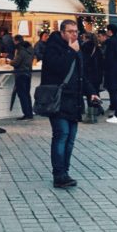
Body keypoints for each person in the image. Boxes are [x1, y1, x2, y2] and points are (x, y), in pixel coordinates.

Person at [40, 19, 99, 188]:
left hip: (74, 100)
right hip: (58, 101)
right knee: (61, 135)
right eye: (71, 32)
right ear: (62, 33)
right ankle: (59, 174)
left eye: (76, 32)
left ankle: (64, 171)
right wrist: (71, 52)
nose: (75, 34)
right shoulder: (54, 47)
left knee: (70, 139)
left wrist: (91, 92)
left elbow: (81, 74)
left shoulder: (76, 48)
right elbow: (58, 67)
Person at [102, 24, 117, 123]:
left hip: (111, 71)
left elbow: (108, 58)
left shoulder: (110, 42)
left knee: (114, 93)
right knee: (115, 92)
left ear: (110, 31)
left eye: (107, 30)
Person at [81, 30, 104, 121]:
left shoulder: (85, 47)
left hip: (88, 73)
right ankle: (98, 108)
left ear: (86, 38)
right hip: (97, 74)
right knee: (95, 92)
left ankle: (92, 115)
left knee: (89, 93)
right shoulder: (97, 47)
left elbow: (84, 61)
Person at [10, 34, 35, 120]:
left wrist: (9, 61)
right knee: (27, 94)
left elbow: (16, 63)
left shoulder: (20, 50)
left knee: (22, 95)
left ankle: (27, 114)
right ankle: (30, 113)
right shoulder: (30, 49)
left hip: (20, 74)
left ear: (16, 41)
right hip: (28, 73)